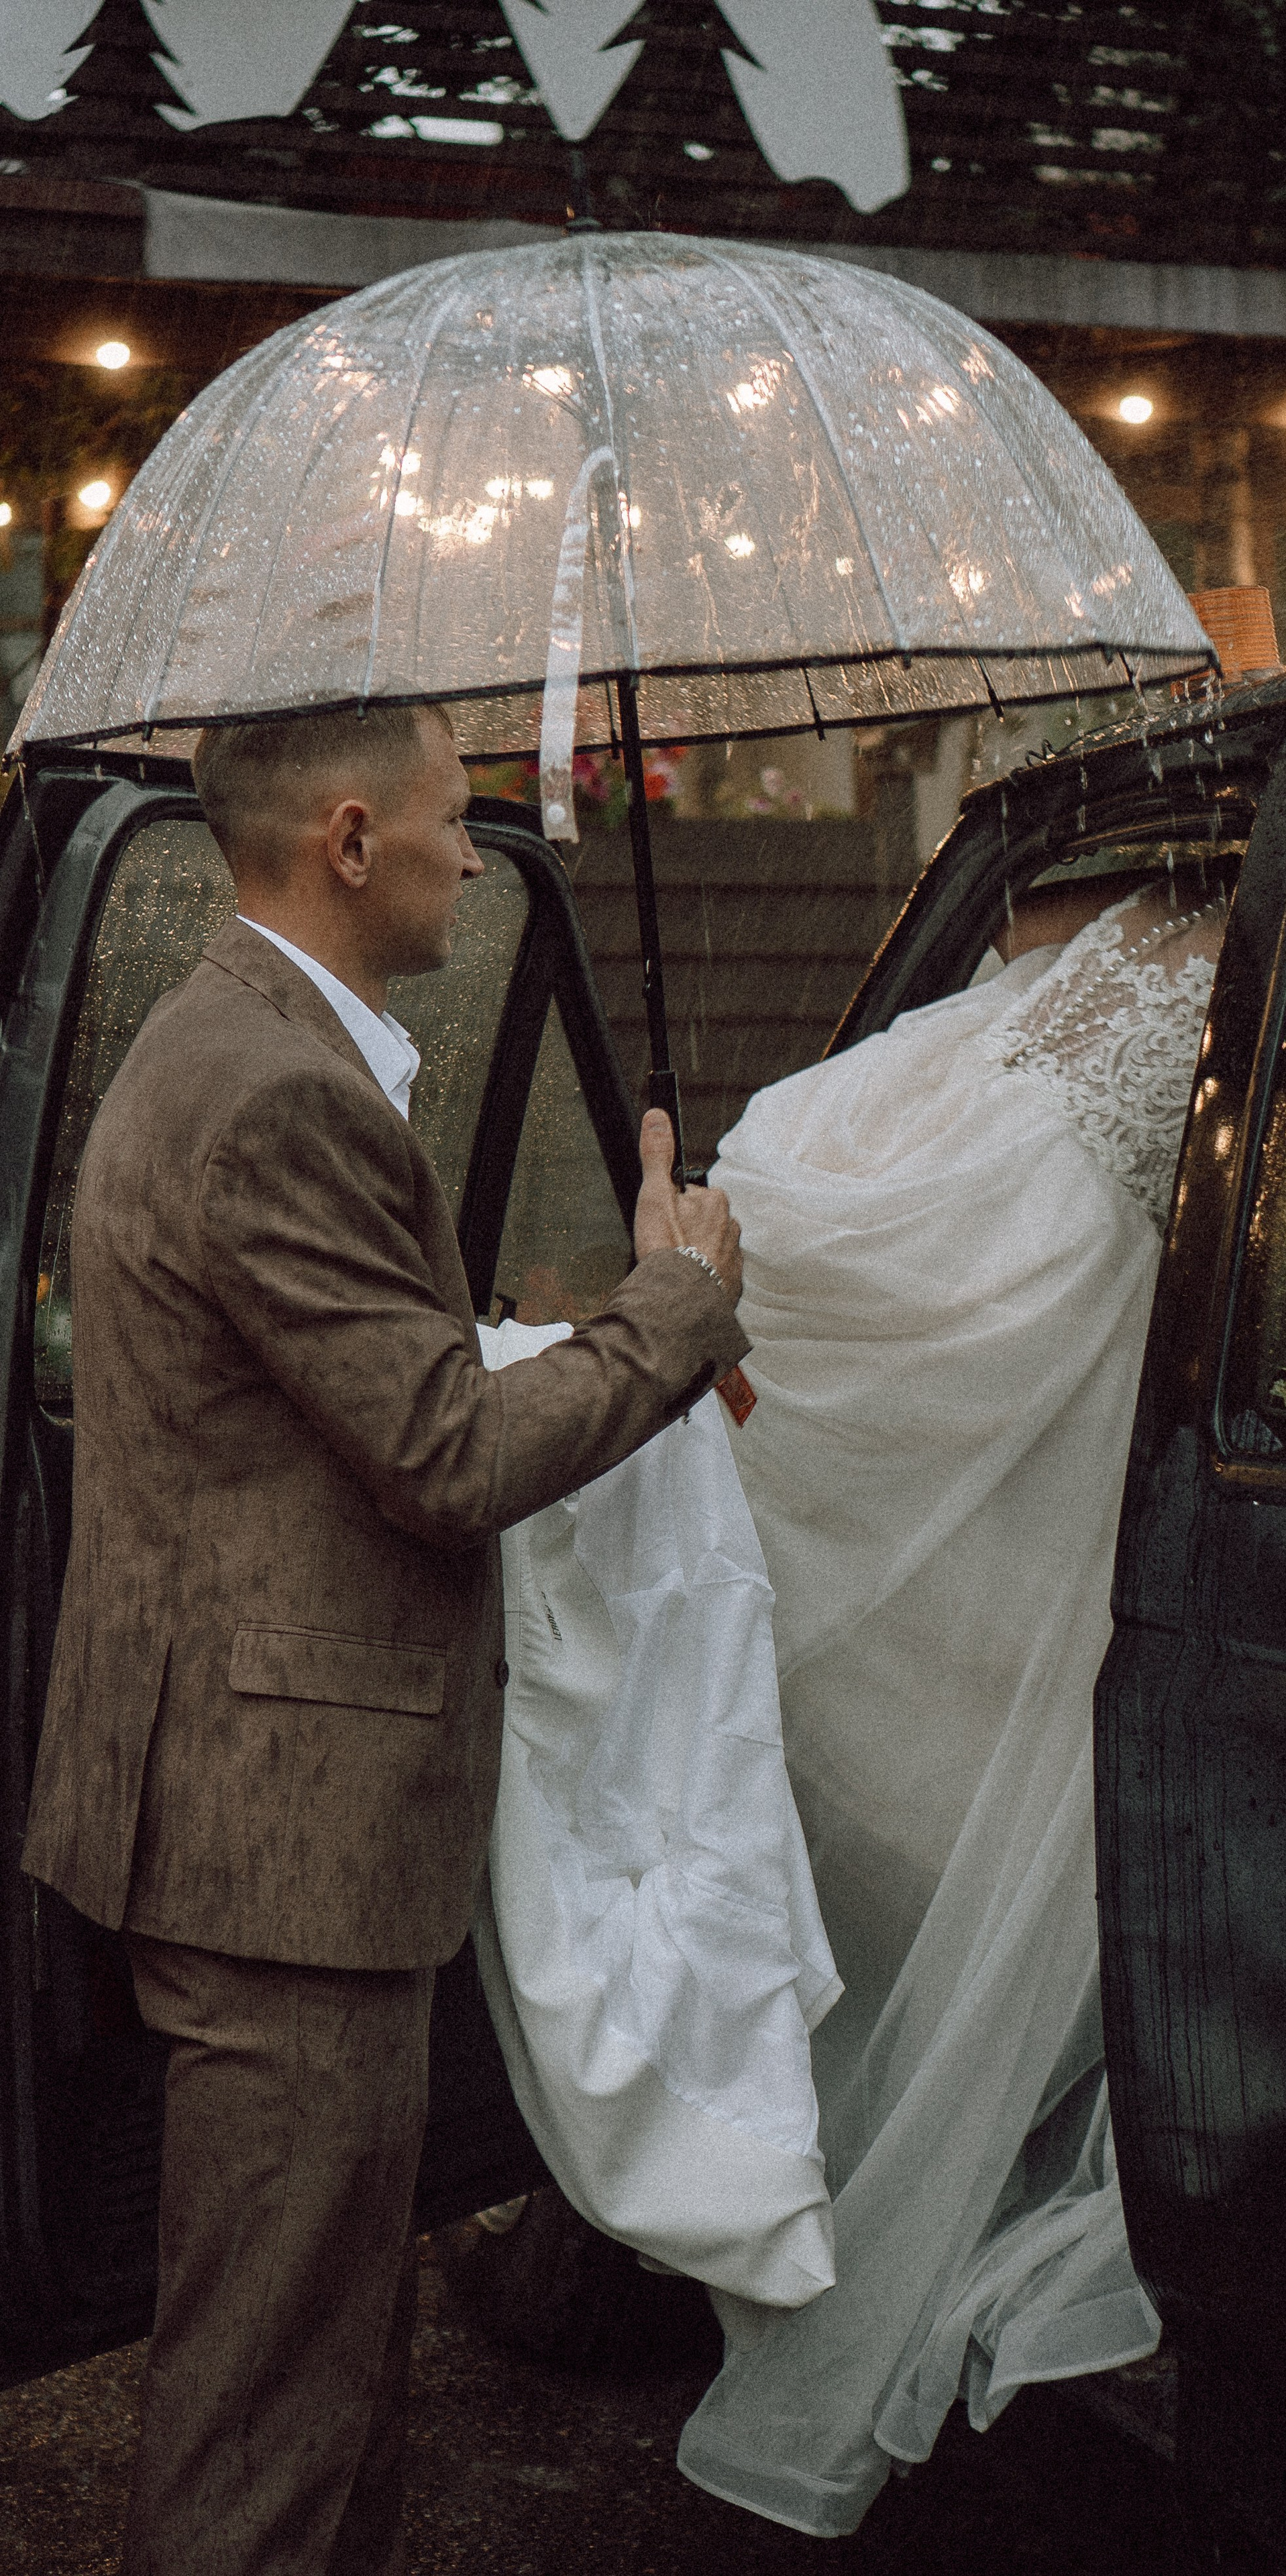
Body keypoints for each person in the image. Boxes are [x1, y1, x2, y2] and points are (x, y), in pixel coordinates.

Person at [20, 701, 747, 2576]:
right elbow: (439, 1451)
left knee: (330, 2373)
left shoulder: (249, 1053)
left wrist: (564, 1328)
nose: (471, 846)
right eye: (450, 815)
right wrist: (673, 1315)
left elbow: (332, 1399)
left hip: (273, 1829)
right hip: (282, 1853)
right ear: (348, 840)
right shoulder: (269, 1089)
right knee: (271, 2418)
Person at [675, 861, 1230, 2536]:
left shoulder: (855, 1105)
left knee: (868, 1910)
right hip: (1080, 1622)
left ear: (1022, 911)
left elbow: (792, 1217)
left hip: (951, 1653)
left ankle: (809, 2213)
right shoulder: (1209, 1022)